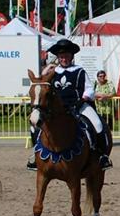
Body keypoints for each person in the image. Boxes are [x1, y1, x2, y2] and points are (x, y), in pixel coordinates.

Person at [27, 39, 113, 171]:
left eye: (67, 56)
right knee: (35, 127)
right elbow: (41, 86)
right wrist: (45, 71)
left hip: (79, 105)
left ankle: (101, 156)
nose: (64, 59)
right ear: (58, 58)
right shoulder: (53, 73)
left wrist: (83, 98)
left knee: (98, 124)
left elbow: (89, 89)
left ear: (72, 57)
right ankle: (35, 155)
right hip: (56, 110)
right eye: (61, 56)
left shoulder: (79, 71)